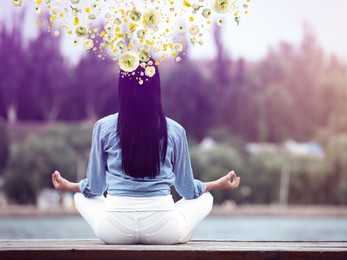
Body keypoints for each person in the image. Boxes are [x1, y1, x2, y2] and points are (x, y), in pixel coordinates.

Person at [51, 60, 240, 245]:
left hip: (114, 230)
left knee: (81, 196)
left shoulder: (103, 127)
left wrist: (70, 186)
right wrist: (217, 184)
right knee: (205, 198)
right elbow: (187, 191)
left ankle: (173, 228)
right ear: (156, 88)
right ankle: (179, 231)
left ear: (122, 88)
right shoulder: (174, 130)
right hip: (164, 229)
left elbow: (95, 188)